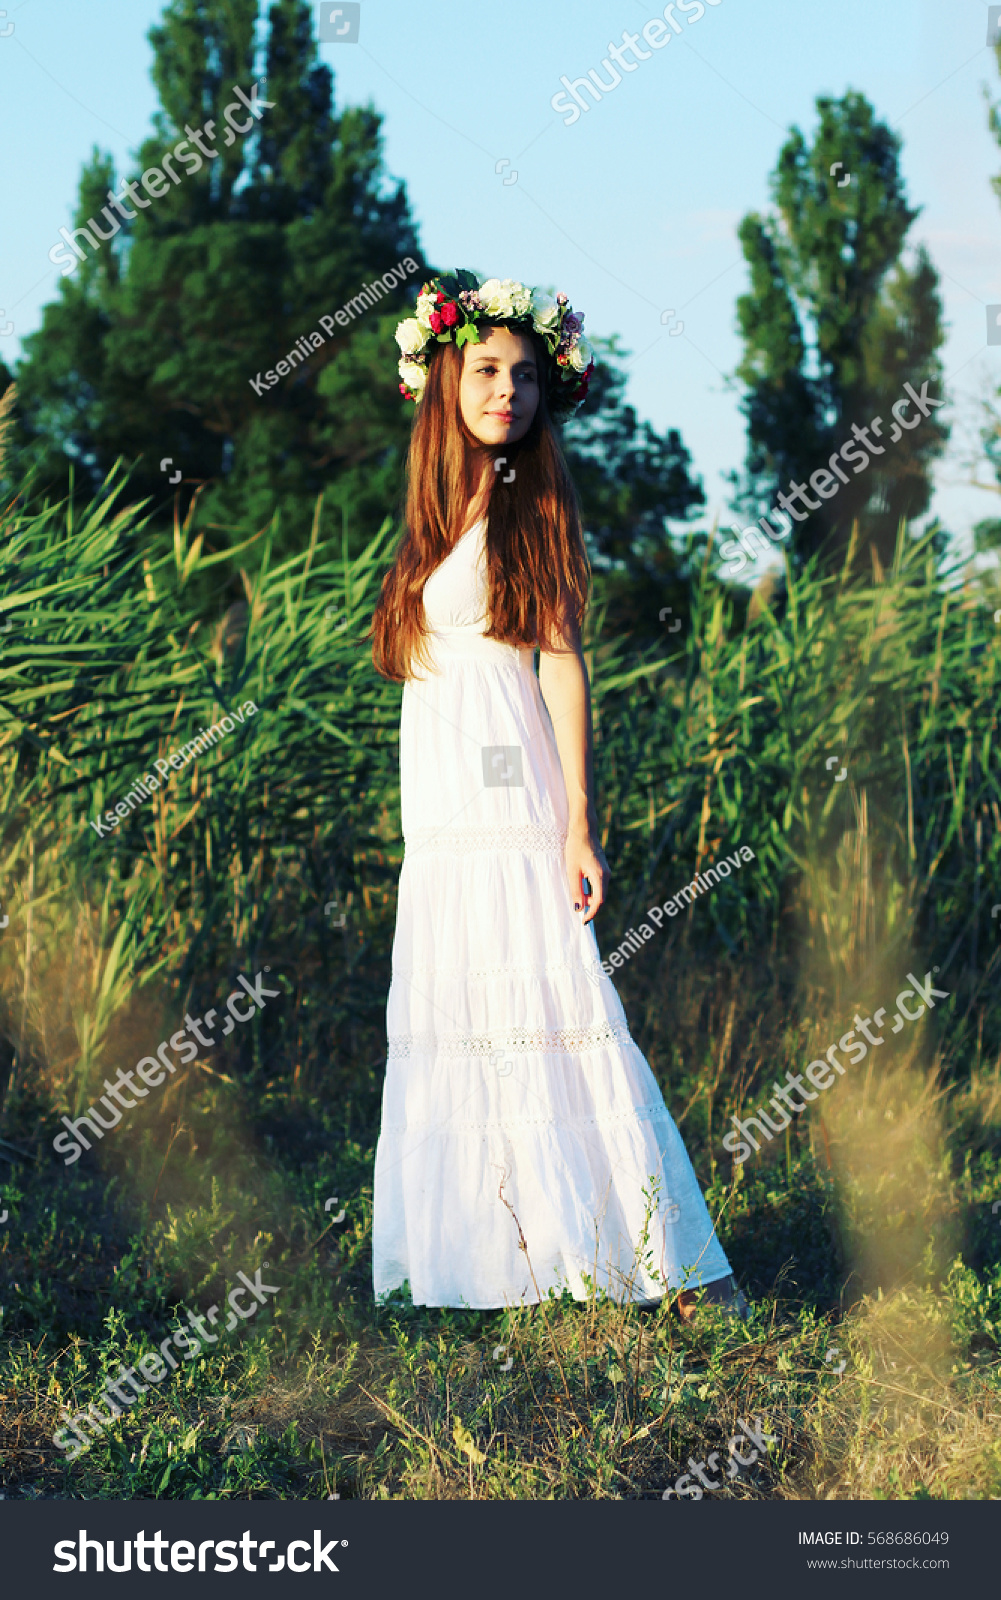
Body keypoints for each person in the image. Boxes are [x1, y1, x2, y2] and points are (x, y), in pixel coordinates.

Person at [368, 271, 744, 1319]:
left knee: (556, 1011)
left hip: (510, 810)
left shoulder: (532, 499)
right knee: (465, 1021)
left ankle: (666, 1266)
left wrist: (576, 822)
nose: (506, 392)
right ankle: (512, 1256)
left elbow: (562, 660)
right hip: (441, 826)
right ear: (443, 379)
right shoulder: (437, 509)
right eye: (486, 371)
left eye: (524, 377)